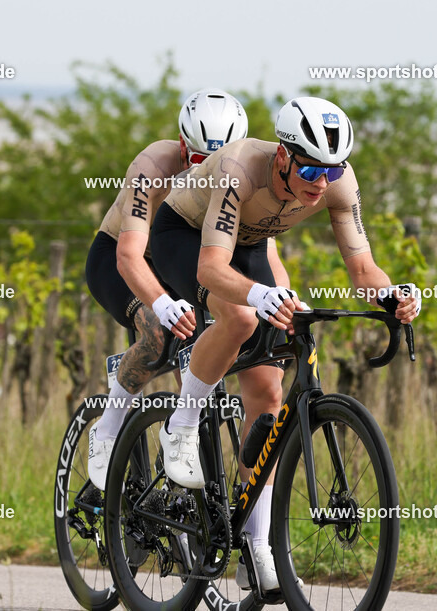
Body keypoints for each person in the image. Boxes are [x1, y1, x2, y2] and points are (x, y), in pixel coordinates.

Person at [149, 96, 420, 591]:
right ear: (282, 156)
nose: (322, 184)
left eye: (332, 172)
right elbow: (210, 269)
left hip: (247, 243)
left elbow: (362, 268)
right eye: (311, 170)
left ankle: (256, 544)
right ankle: (180, 427)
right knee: (239, 318)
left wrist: (391, 295)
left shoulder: (338, 182)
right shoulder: (240, 168)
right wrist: (259, 293)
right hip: (183, 235)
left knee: (270, 395)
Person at [83, 89, 290, 488]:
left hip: (181, 261)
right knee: (163, 334)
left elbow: (268, 257)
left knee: (211, 349)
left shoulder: (241, 174)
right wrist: (161, 305)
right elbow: (129, 256)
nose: (205, 169)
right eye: (198, 160)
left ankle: (199, 503)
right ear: (182, 144)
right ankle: (106, 431)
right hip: (122, 257)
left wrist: (279, 306)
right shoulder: (154, 165)